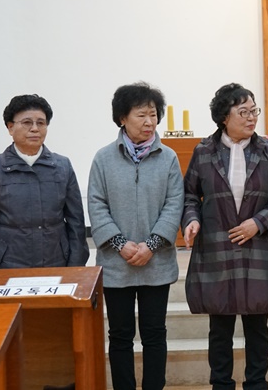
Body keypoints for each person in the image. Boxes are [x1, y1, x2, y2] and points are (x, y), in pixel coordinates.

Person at [182, 83, 268, 390]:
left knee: (257, 326)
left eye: (254, 111)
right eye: (243, 112)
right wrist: (191, 220)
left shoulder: (267, 151)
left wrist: (259, 222)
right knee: (220, 327)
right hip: (217, 246)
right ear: (223, 117)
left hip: (258, 245)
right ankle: (221, 384)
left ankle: (257, 384)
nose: (251, 117)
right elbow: (189, 195)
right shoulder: (204, 152)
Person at [88, 82, 184, 390]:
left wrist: (152, 244)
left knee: (155, 334)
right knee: (120, 336)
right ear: (122, 118)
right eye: (141, 115)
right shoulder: (104, 158)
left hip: (156, 263)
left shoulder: (168, 157)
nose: (149, 122)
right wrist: (120, 244)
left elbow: (174, 203)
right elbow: (96, 204)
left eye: (153, 115)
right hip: (117, 264)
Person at [0, 94, 89, 269]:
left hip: (56, 263)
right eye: (26, 122)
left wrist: (75, 266)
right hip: (9, 265)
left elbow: (76, 222)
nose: (34, 129)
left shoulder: (63, 166)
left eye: (41, 123)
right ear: (10, 127)